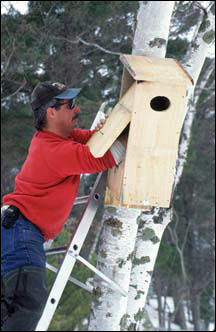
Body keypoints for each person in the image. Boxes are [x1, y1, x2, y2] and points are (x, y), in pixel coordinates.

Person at [1, 81, 127, 331]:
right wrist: (131, 126)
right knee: (26, 304)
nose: (77, 109)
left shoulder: (60, 138)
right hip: (21, 231)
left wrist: (107, 129)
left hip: (17, 230)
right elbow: (110, 154)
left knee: (11, 308)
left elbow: (95, 142)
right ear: (51, 112)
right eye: (70, 105)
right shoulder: (53, 149)